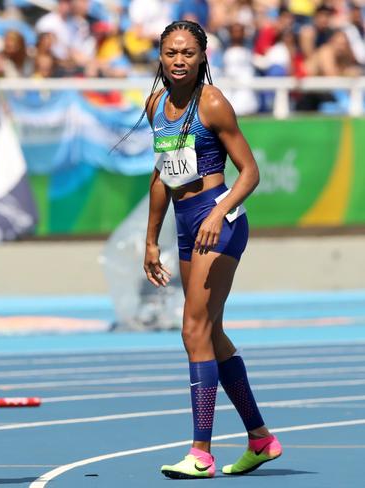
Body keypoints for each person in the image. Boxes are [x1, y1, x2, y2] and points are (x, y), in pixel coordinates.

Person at [138, 20, 282, 479]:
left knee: (193, 329)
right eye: (170, 52)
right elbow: (162, 175)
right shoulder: (156, 103)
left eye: (187, 53)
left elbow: (251, 172)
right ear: (159, 57)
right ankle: (260, 439)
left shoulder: (213, 103)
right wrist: (150, 239)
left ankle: (201, 452)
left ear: (203, 58)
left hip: (219, 221)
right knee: (211, 334)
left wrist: (219, 213)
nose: (178, 60)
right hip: (184, 225)